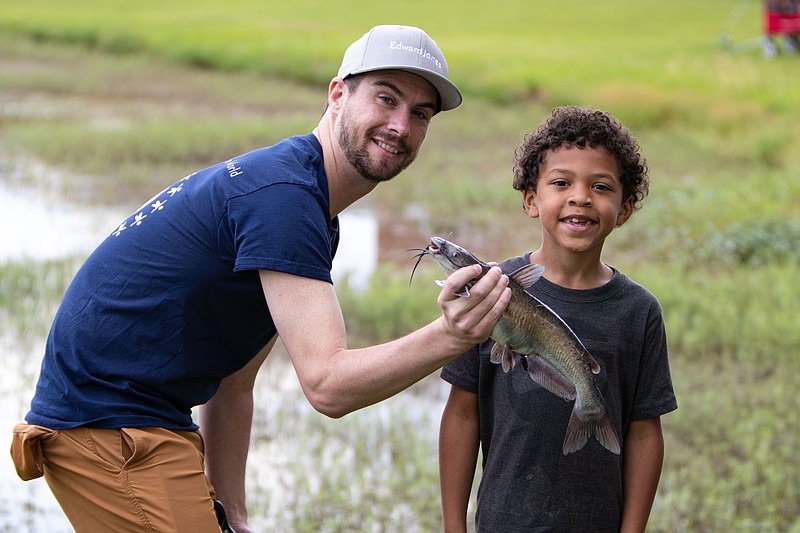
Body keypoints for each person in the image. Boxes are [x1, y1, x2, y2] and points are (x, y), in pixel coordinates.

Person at [10, 25, 512, 533]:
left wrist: (234, 513)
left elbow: (235, 383)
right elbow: (328, 387)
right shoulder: (286, 199)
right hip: (107, 424)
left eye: (420, 114)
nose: (400, 125)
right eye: (386, 98)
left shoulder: (307, 202)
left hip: (145, 419)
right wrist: (453, 334)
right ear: (338, 94)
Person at [438, 106, 677, 532]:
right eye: (561, 183)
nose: (580, 197)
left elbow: (644, 433)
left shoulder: (639, 312)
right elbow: (461, 414)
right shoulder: (490, 289)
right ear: (532, 199)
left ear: (623, 209)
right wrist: (454, 526)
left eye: (601, 186)